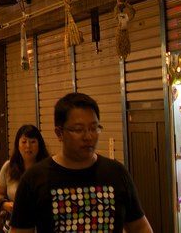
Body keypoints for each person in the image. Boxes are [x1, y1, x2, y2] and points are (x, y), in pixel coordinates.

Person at [10, 93, 153, 233]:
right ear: (59, 133)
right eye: (79, 130)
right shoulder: (34, 179)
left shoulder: (116, 173)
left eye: (93, 128)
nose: (88, 136)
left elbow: (140, 227)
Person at [0, 125, 49, 231]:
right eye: (24, 142)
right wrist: (5, 204)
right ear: (17, 145)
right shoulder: (8, 167)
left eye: (33, 142)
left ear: (39, 144)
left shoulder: (47, 168)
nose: (28, 146)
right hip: (13, 226)